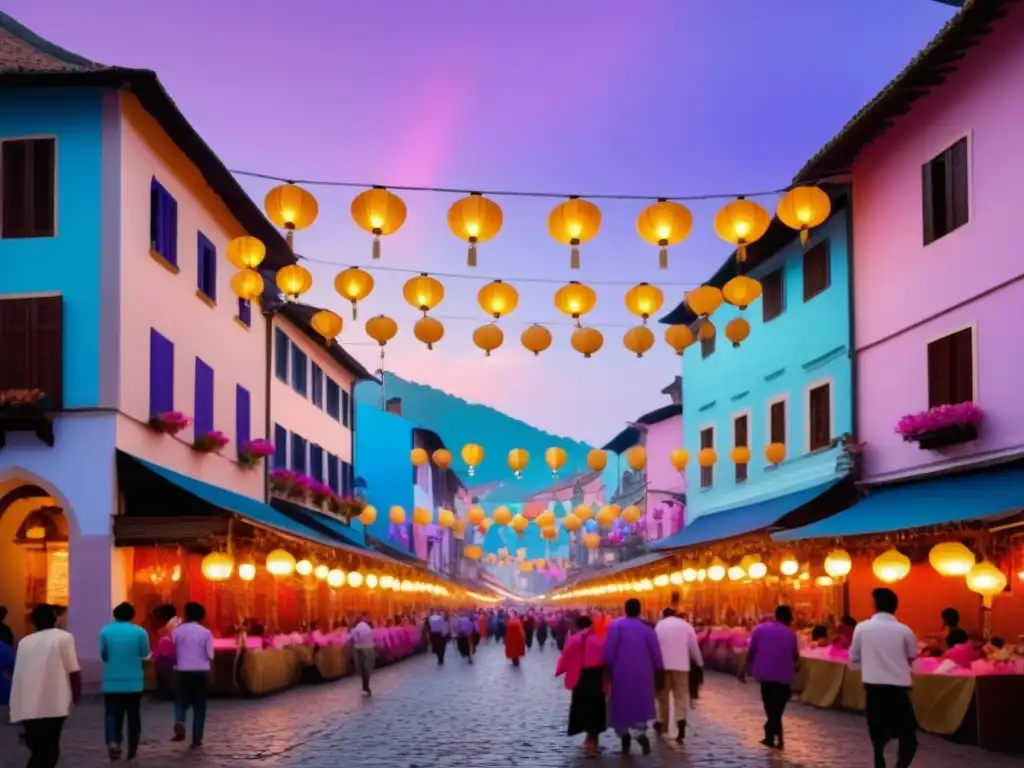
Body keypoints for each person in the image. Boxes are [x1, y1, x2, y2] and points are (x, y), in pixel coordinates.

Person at [851, 588, 918, 768]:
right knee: (909, 737)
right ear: (895, 607)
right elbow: (912, 656)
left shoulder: (862, 628)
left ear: (874, 605)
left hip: (874, 689)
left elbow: (854, 657)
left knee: (878, 736)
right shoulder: (905, 631)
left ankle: (879, 762)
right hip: (899, 690)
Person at [9, 603, 81, 768]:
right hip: (53, 702)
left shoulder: (24, 642)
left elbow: (19, 673)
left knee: (39, 749)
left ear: (33, 622)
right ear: (54, 618)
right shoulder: (64, 638)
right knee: (49, 749)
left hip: (28, 703)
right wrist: (76, 696)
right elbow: (73, 669)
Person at [604, 598, 664, 756]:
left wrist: (608, 667)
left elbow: (609, 651)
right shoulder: (647, 629)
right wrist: (659, 669)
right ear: (639, 610)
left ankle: (624, 737)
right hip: (643, 674)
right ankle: (640, 734)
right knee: (639, 703)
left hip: (621, 672)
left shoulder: (616, 626)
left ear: (625, 609)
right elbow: (656, 653)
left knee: (621, 702)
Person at [741, 604, 799, 750]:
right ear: (790, 618)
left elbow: (751, 652)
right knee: (778, 705)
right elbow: (795, 656)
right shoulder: (791, 634)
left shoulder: (759, 629)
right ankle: (775, 735)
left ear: (776, 615)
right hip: (783, 674)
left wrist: (743, 669)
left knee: (770, 705)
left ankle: (771, 733)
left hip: (765, 674)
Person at [100, 601, 151, 760]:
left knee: (112, 714)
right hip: (134, 682)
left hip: (111, 681)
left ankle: (113, 742)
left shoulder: (105, 631)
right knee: (133, 716)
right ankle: (132, 750)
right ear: (132, 615)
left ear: (115, 615)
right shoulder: (140, 632)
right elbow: (144, 653)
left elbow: (104, 655)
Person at [555, 614, 607, 757]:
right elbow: (605, 659)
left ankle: (589, 742)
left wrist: (559, 671)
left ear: (577, 626)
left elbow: (565, 657)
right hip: (595, 677)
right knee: (596, 708)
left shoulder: (573, 640)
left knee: (582, 707)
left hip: (580, 678)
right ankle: (592, 740)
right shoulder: (598, 640)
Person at [654, 607, 703, 742]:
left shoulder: (659, 626)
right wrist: (699, 663)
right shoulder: (686, 626)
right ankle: (680, 722)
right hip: (682, 666)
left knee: (663, 696)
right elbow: (694, 647)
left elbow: (655, 646)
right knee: (681, 696)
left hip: (663, 667)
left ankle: (663, 723)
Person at [172, 601, 214, 748]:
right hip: (201, 671)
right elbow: (210, 655)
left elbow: (174, 650)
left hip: (181, 670)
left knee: (180, 698)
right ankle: (196, 739)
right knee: (199, 705)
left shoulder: (177, 631)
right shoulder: (205, 632)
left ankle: (180, 720)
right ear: (202, 616)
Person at [349, 614, 375, 696]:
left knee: (362, 668)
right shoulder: (367, 626)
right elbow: (372, 635)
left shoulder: (356, 627)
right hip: (368, 647)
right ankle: (366, 687)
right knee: (367, 668)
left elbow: (352, 637)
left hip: (359, 648)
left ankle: (365, 687)